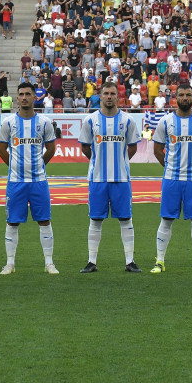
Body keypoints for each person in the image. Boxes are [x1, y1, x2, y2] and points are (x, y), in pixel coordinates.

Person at [150, 84, 192, 274]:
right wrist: (170, 166)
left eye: (188, 95)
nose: (185, 98)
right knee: (166, 220)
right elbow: (157, 150)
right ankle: (160, 261)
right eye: (181, 95)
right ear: (175, 98)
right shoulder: (166, 121)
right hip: (171, 179)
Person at [79, 81, 142, 273]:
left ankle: (130, 261)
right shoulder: (90, 120)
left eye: (112, 93)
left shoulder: (128, 120)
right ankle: (91, 262)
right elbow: (85, 147)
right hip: (97, 179)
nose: (108, 96)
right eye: (105, 93)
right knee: (95, 220)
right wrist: (97, 161)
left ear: (117, 96)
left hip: (121, 179)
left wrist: (120, 161)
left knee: (126, 219)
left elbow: (132, 147)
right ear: (100, 96)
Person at [0, 83, 58, 275]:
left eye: (28, 94)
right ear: (17, 98)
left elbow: (51, 149)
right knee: (12, 222)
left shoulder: (45, 122)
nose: (24, 97)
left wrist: (39, 166)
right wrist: (15, 166)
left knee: (45, 221)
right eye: (21, 94)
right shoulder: (8, 123)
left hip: (39, 181)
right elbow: (1, 150)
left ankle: (49, 263)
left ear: (34, 98)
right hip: (16, 182)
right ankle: (10, 263)